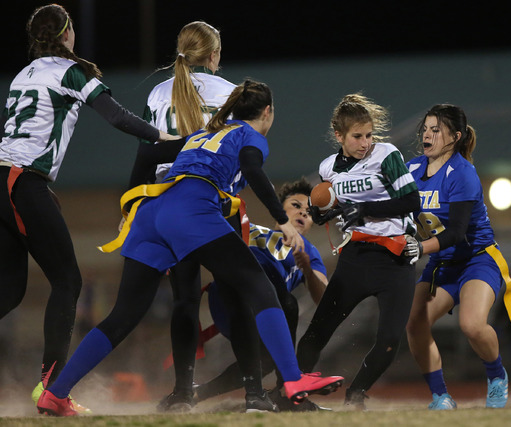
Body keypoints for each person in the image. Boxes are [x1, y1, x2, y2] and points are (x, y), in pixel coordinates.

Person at [35, 79, 344, 417]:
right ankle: (293, 379)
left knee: (123, 314)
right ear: (267, 112)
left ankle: (56, 393)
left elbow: (150, 153)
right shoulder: (250, 135)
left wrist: (129, 211)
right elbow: (253, 170)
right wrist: (281, 221)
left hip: (152, 212)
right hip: (191, 208)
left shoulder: (202, 134)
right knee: (259, 287)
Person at [0, 3, 177, 413]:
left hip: (8, 181)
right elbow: (116, 117)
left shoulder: (24, 74)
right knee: (68, 282)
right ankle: (52, 389)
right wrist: (165, 137)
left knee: (9, 292)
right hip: (21, 182)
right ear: (66, 34)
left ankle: (50, 386)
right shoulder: (70, 71)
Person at [128, 20, 236, 412]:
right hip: (212, 200)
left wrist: (131, 208)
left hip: (166, 204)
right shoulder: (230, 93)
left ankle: (182, 390)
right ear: (213, 55)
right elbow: (238, 154)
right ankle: (258, 385)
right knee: (242, 289)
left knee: (184, 300)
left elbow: (145, 154)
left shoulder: (159, 92)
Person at [296, 93, 421, 410]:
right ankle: (293, 392)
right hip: (357, 256)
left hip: (396, 258)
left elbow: (411, 202)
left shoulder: (387, 154)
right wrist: (323, 212)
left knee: (391, 340)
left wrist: (363, 208)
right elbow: (334, 209)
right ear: (339, 136)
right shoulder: (328, 168)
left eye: (368, 135)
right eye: (357, 136)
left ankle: (356, 394)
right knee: (319, 329)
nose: (365, 143)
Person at [403, 104, 511, 410]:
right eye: (425, 128)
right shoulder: (412, 169)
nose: (427, 135)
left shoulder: (464, 173)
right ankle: (441, 397)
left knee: (471, 324)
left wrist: (418, 247)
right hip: (442, 264)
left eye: (436, 129)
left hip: (476, 260)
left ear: (454, 137)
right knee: (414, 323)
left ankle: (497, 376)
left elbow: (456, 233)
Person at [191, 178, 330, 412]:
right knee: (286, 303)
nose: (302, 213)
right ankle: (287, 392)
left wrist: (306, 268)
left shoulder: (309, 252)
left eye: (309, 212)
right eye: (296, 205)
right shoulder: (250, 228)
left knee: (266, 359)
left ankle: (197, 392)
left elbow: (323, 298)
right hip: (229, 301)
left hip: (267, 312)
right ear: (279, 208)